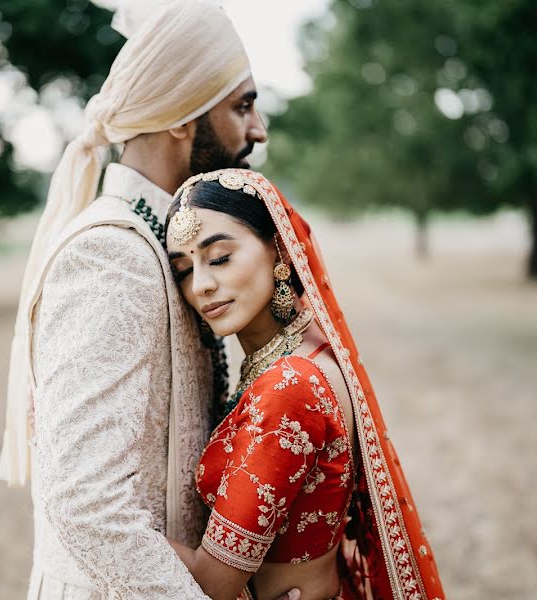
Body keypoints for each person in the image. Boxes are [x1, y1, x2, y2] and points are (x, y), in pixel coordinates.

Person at [0, 2, 285, 599]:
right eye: (243, 105)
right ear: (182, 117)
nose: (258, 130)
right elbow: (85, 504)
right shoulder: (112, 255)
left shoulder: (164, 240)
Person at [164, 169, 446, 600]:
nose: (201, 285)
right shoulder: (307, 348)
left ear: (279, 248)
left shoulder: (289, 386)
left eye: (219, 257)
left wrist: (106, 524)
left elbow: (211, 585)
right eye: (183, 270)